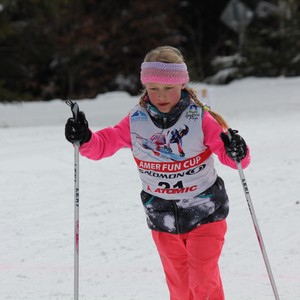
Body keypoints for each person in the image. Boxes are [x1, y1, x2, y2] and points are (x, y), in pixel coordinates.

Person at [65, 46, 251, 300]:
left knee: (203, 280)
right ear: (144, 87)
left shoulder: (199, 118)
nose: (161, 96)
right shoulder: (136, 120)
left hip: (206, 212)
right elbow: (102, 145)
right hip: (162, 217)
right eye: (153, 89)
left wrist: (237, 150)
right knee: (180, 286)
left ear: (182, 85)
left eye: (168, 89)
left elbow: (232, 157)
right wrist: (84, 138)